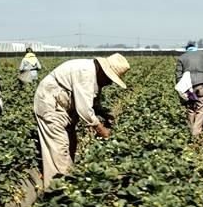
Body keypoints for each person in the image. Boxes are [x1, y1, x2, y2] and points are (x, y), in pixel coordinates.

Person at [33, 53, 130, 188]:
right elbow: (84, 109)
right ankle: (57, 189)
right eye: (110, 78)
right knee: (59, 147)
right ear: (103, 71)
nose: (110, 82)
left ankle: (69, 176)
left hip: (63, 106)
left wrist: (103, 113)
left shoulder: (94, 74)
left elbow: (93, 102)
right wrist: (101, 129)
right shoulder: (86, 73)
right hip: (50, 103)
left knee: (72, 141)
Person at [175, 41, 203, 137]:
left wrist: (181, 88)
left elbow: (178, 75)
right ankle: (196, 132)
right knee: (201, 109)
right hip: (202, 84)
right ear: (195, 48)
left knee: (190, 108)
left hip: (188, 87)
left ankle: (190, 130)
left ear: (187, 49)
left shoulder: (182, 57)